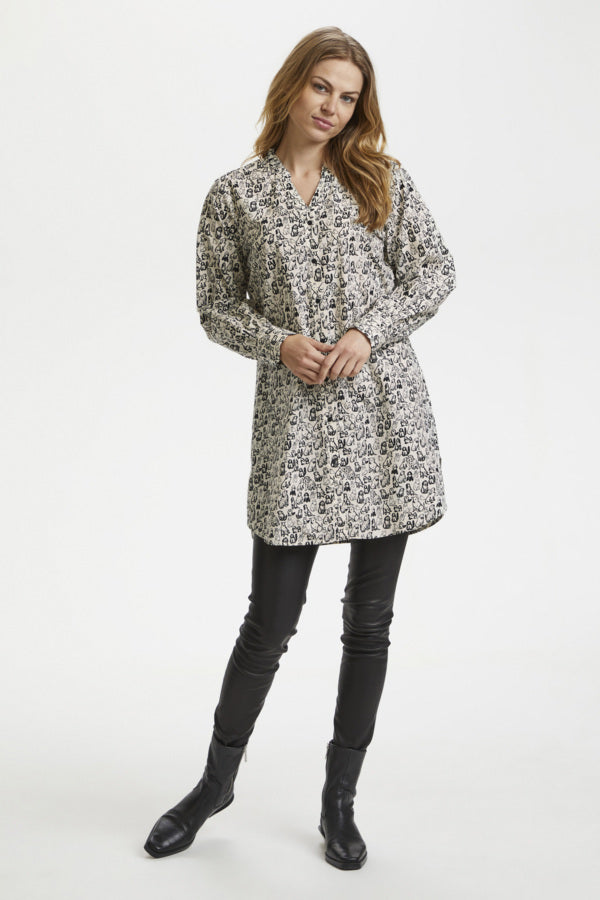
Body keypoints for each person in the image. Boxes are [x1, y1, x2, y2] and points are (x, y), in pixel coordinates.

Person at [143, 25, 456, 871]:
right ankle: (214, 785)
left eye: (349, 96)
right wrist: (277, 342)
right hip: (295, 427)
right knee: (268, 624)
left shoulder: (381, 180)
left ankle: (339, 800)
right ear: (292, 86)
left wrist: (367, 331)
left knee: (369, 625)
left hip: (386, 423)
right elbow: (216, 305)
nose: (333, 107)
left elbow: (434, 271)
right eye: (322, 87)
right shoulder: (236, 195)